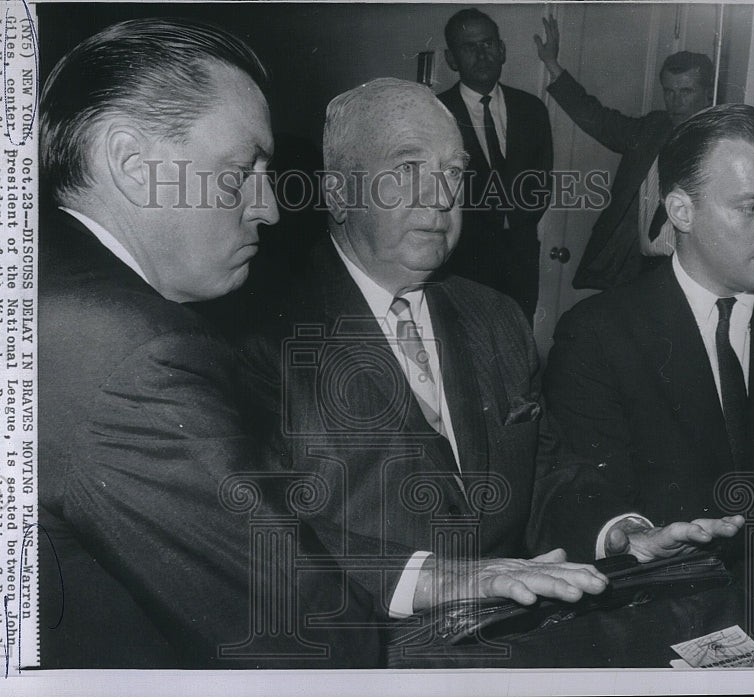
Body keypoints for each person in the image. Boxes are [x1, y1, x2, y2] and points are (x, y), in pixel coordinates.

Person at [240, 77, 714, 628]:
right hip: (362, 648)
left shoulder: (497, 318)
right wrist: (436, 580)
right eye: (409, 168)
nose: (441, 198)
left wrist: (618, 532)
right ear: (340, 192)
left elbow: (541, 472)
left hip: (511, 638)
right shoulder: (260, 338)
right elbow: (258, 538)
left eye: (453, 173)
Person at [36, 18, 381, 669]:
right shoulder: (134, 351)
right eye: (239, 170)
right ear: (132, 164)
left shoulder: (35, 277)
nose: (270, 208)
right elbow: (313, 645)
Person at [541, 104, 754, 563]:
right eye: (751, 207)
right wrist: (631, 534)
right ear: (681, 211)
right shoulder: (597, 334)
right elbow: (582, 489)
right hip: (667, 594)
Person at [534, 15, 713, 290]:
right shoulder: (652, 128)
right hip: (637, 266)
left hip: (692, 271)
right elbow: (598, 118)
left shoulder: (722, 142)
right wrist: (551, 64)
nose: (675, 101)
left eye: (686, 91)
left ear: (707, 93)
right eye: (669, 91)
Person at [438, 8, 553, 323]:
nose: (481, 53)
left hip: (520, 262)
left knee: (517, 352)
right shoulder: (436, 113)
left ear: (501, 50)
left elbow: (541, 183)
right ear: (451, 59)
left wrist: (516, 225)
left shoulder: (531, 110)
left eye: (487, 44)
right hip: (460, 264)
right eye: (468, 47)